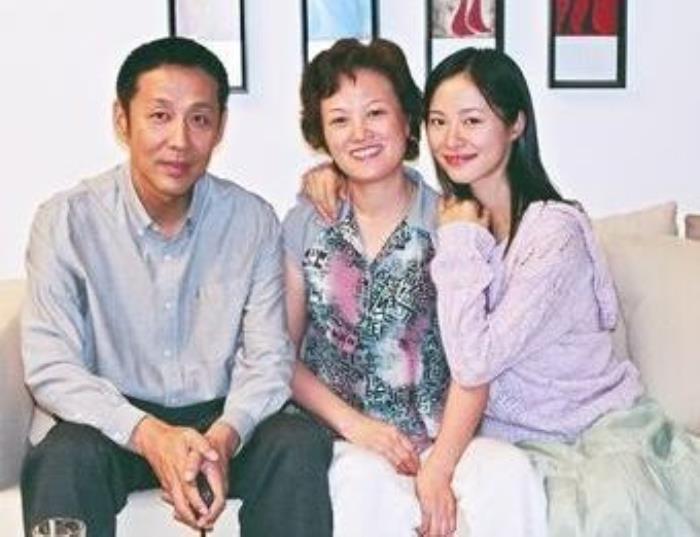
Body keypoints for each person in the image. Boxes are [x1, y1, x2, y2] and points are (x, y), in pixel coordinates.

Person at [305, 45, 700, 535]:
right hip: (507, 445)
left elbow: (475, 361)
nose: (452, 139)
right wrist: (334, 176)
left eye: (472, 121)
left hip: (587, 440)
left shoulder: (550, 233)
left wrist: (460, 240)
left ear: (515, 125)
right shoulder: (456, 217)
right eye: (439, 122)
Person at [20, 37, 332, 537]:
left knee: (296, 442)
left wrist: (224, 439)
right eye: (160, 116)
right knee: (62, 457)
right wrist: (150, 435)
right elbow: (51, 366)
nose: (180, 140)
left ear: (220, 128)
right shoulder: (65, 222)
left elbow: (268, 358)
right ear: (122, 120)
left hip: (219, 418)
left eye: (199, 119)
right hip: (113, 420)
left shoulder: (251, 221)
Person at [285, 38, 546, 537]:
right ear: (321, 133)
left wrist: (439, 466)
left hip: (446, 438)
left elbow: (475, 360)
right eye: (339, 120)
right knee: (362, 483)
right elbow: (280, 352)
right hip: (343, 436)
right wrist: (356, 427)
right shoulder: (305, 223)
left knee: (508, 473)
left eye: (375, 113)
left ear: (408, 121)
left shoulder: (457, 222)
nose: (359, 133)